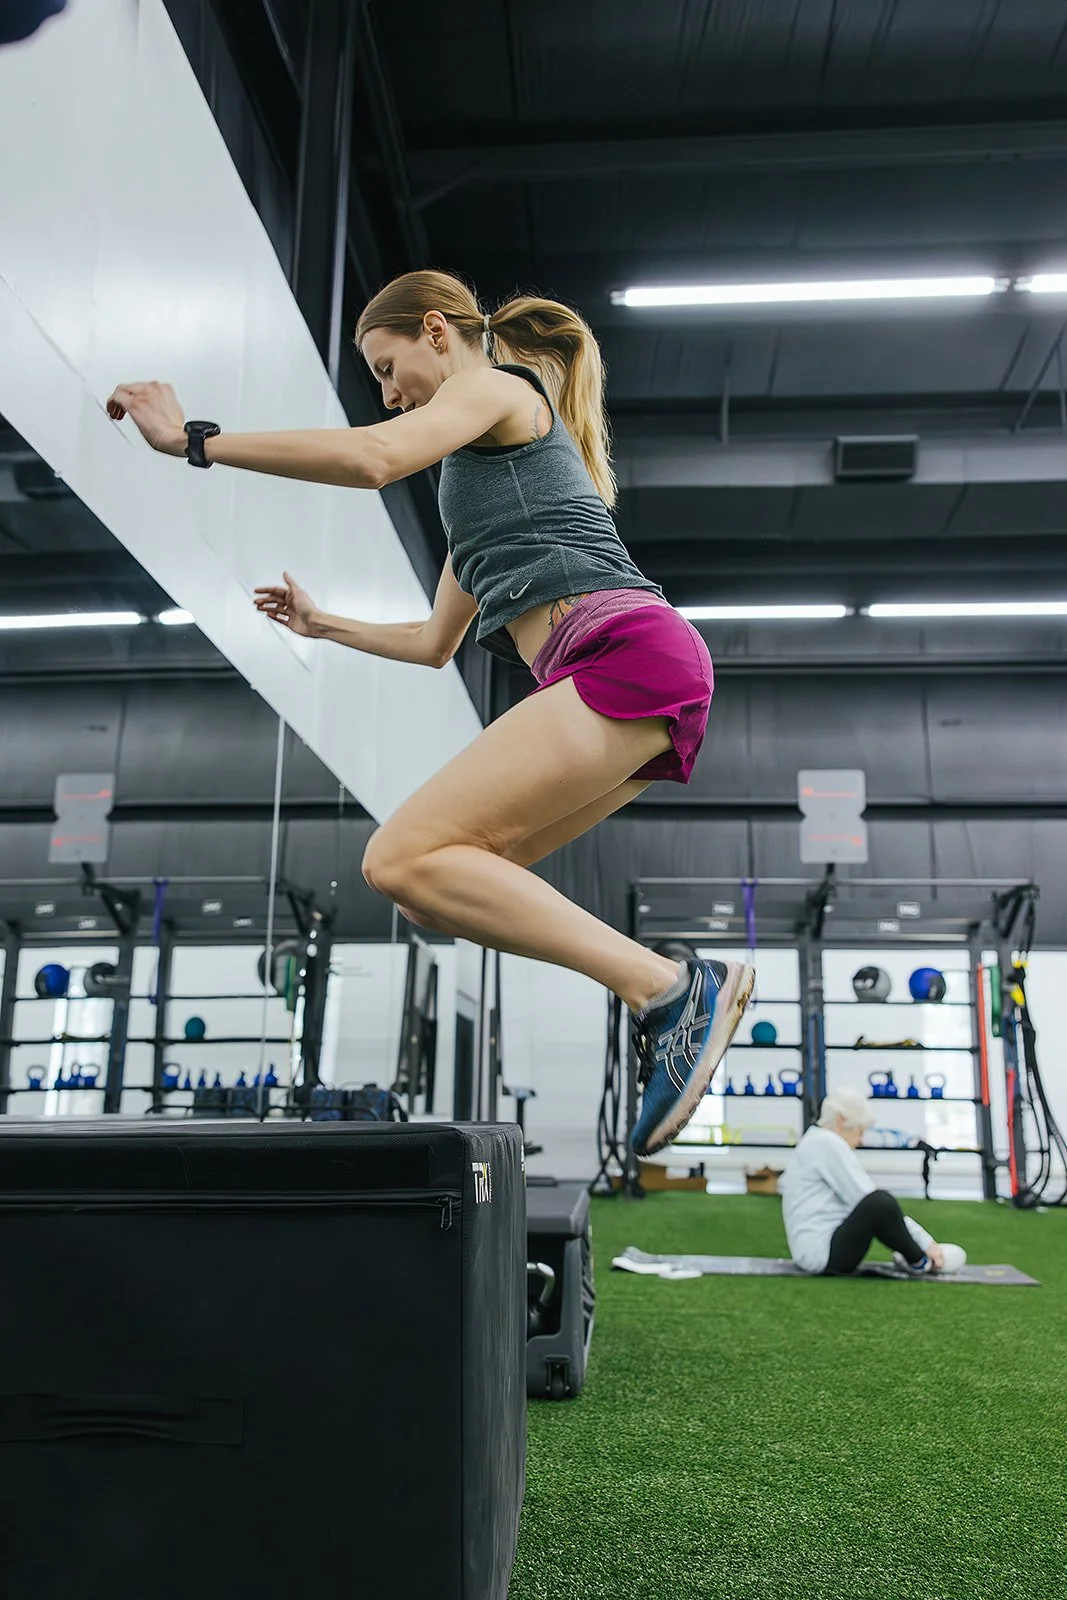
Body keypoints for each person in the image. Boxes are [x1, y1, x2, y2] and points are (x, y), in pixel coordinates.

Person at [107, 269, 754, 1156]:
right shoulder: (476, 484)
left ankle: (665, 991)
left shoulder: (496, 387)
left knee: (398, 857)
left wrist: (194, 440)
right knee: (436, 890)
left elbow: (373, 457)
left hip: (621, 651)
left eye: (387, 365)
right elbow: (433, 643)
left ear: (440, 332)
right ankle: (662, 991)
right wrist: (324, 624)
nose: (387, 390)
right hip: (630, 667)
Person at [779, 1088, 967, 1276]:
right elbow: (868, 1199)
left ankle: (916, 1256)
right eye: (860, 1131)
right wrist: (926, 1242)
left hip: (814, 1253)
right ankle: (921, 1261)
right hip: (822, 1256)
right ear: (841, 1121)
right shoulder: (827, 1144)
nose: (861, 1140)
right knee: (880, 1203)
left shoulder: (814, 1141)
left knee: (878, 1203)